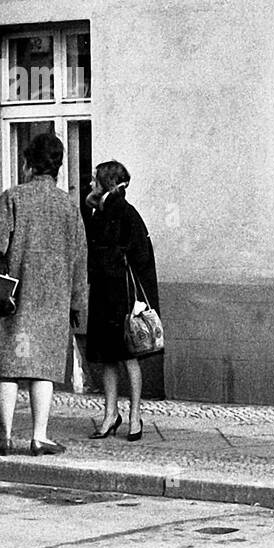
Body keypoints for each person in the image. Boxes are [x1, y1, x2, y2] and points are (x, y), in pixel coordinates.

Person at [0, 132, 87, 456]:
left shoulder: (13, 197)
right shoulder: (69, 207)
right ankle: (39, 437)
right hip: (51, 302)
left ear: (27, 164)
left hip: (11, 297)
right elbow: (80, 259)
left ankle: (5, 437)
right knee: (43, 368)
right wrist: (77, 303)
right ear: (58, 168)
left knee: (7, 366)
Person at [81, 160, 160, 443]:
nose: (90, 185)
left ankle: (134, 415)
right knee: (108, 358)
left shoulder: (123, 213)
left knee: (126, 358)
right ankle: (112, 414)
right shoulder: (102, 210)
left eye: (94, 181)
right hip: (105, 293)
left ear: (107, 184)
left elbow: (139, 258)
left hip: (120, 296)